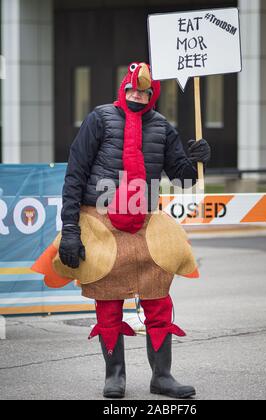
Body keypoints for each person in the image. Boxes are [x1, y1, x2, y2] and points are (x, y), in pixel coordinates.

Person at [32, 62, 211, 399]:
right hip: (99, 220)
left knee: (158, 300)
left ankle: (163, 377)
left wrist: (197, 158)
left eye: (144, 91)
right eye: (132, 89)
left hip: (145, 220)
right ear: (123, 88)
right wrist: (70, 228)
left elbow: (184, 178)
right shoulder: (99, 118)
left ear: (152, 94)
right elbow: (75, 174)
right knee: (108, 302)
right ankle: (114, 377)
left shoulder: (161, 127)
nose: (137, 96)